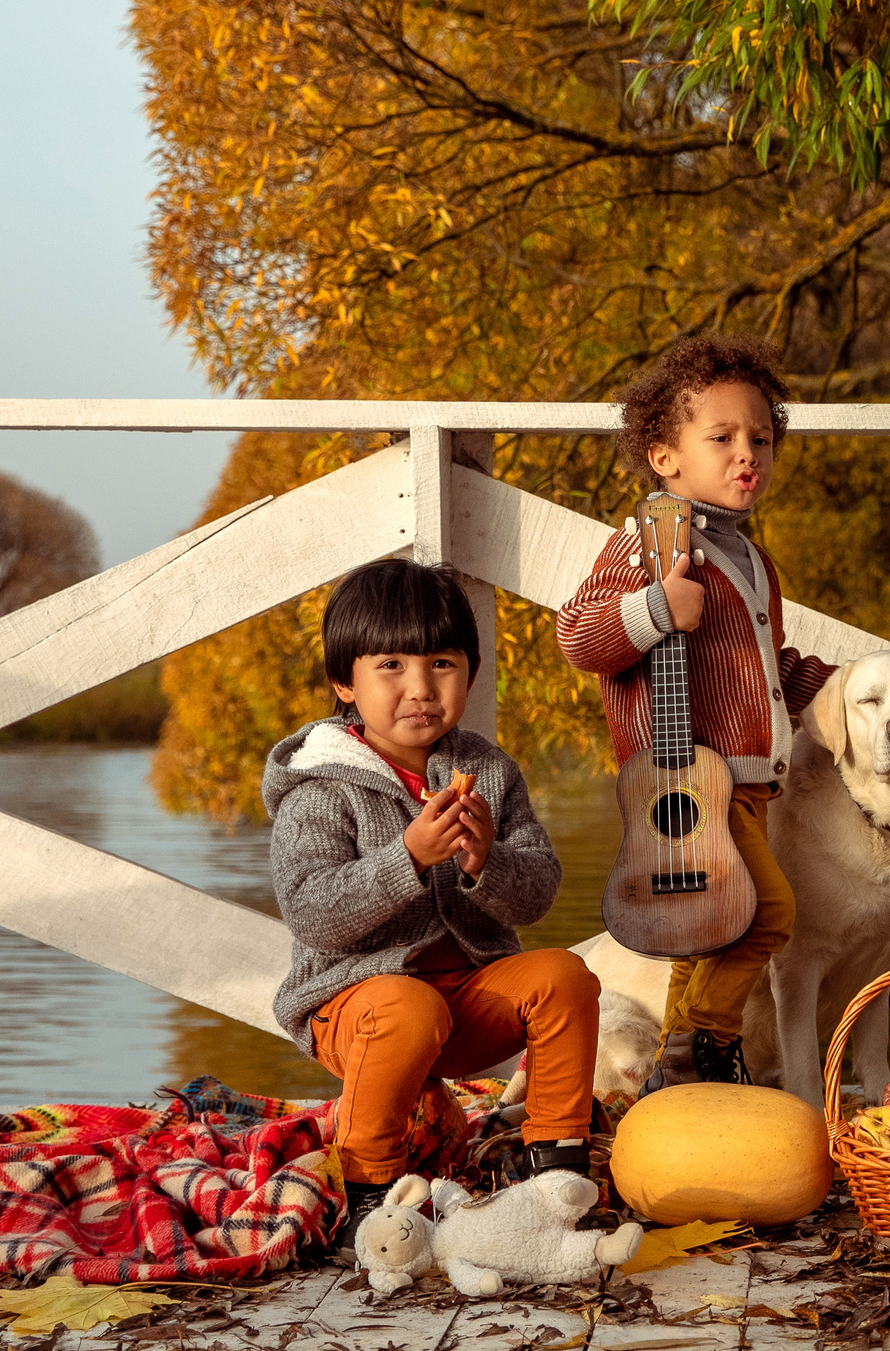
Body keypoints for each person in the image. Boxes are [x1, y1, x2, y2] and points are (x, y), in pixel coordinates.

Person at [266, 559, 582, 1249]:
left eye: (442, 663)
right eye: (391, 665)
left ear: (470, 671)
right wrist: (405, 856)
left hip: (466, 997)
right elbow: (310, 911)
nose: (420, 687)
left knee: (565, 977)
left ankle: (555, 1170)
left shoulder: (488, 771)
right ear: (344, 681)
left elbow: (539, 892)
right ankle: (372, 1196)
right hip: (354, 1005)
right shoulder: (322, 786)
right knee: (408, 1007)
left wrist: (484, 860)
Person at [557, 337, 837, 1086]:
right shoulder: (646, 542)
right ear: (664, 457)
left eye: (762, 438)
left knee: (708, 936)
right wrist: (653, 607)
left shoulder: (750, 559)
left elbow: (766, 667)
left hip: (748, 780)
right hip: (685, 788)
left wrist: (837, 689)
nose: (748, 453)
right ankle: (699, 1047)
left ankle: (676, 1076)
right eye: (722, 438)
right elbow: (579, 636)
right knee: (765, 915)